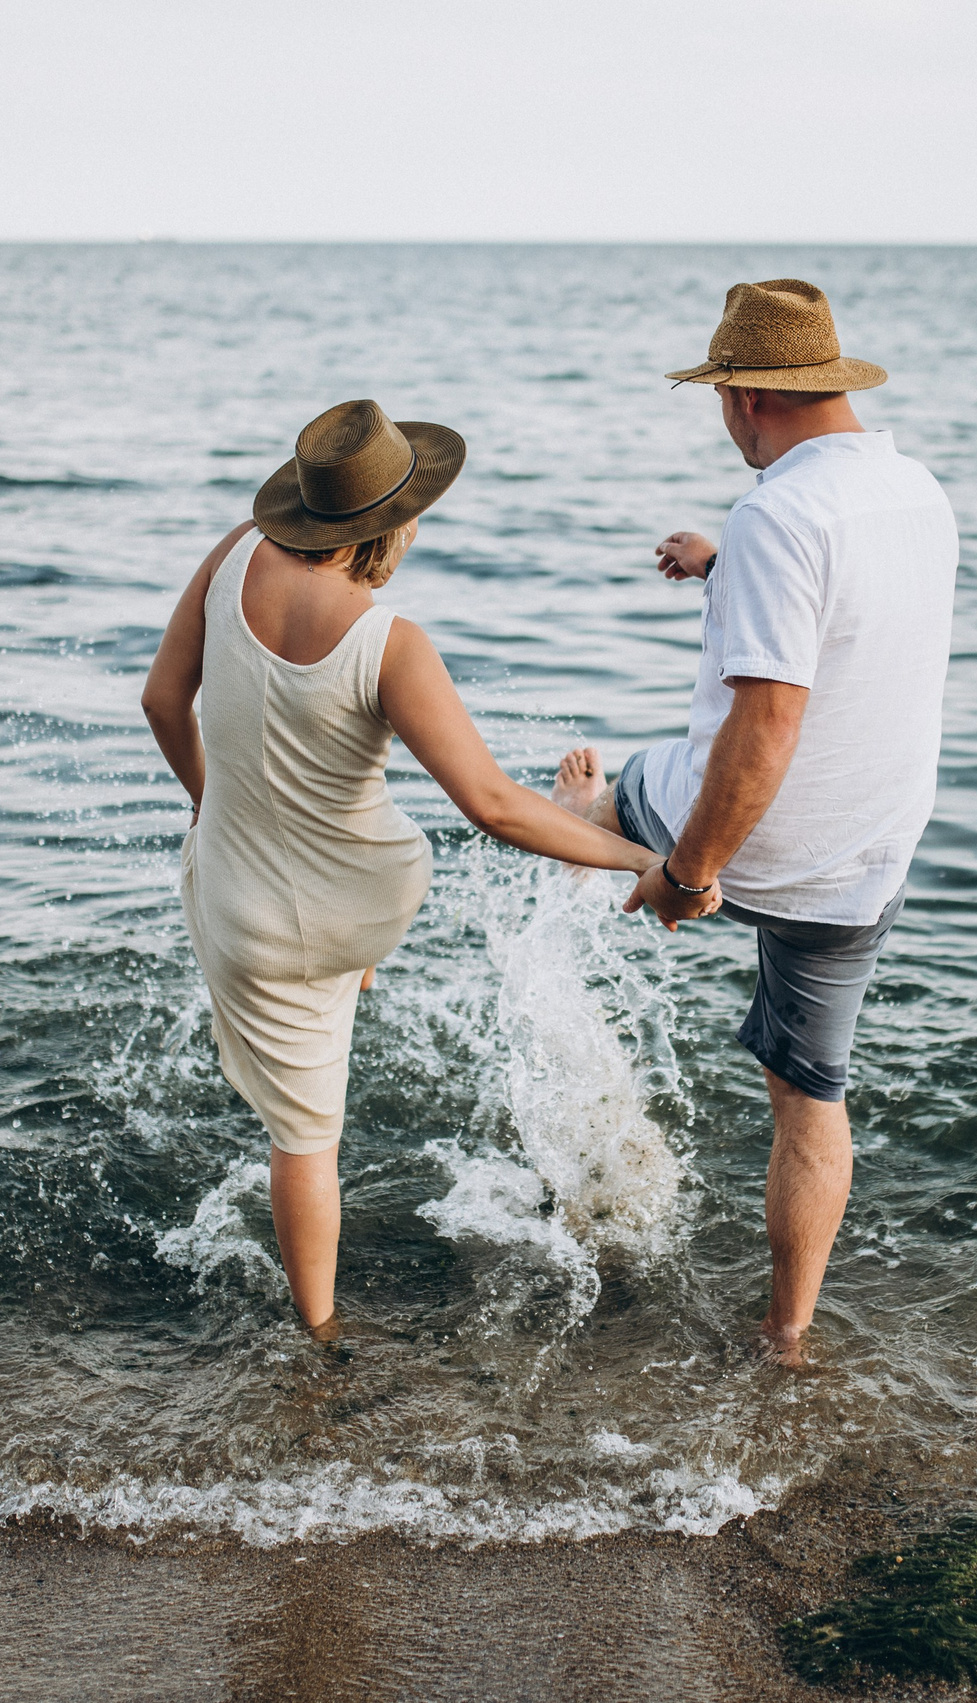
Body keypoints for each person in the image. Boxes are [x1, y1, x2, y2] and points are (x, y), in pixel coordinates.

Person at [142, 399, 658, 1335]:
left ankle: (320, 1332)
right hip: (358, 897)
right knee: (314, 1138)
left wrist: (207, 803)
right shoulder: (388, 643)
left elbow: (160, 699)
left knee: (299, 1135)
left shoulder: (231, 555)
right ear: (392, 524)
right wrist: (640, 860)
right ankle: (320, 1328)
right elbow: (493, 805)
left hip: (238, 897)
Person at [551, 279, 959, 1362]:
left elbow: (766, 725)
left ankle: (598, 825)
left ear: (742, 397)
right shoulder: (916, 492)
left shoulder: (775, 509)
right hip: (864, 851)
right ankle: (786, 1336)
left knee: (638, 777)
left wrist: (689, 875)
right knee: (809, 1092)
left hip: (746, 838)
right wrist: (719, 563)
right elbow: (845, 613)